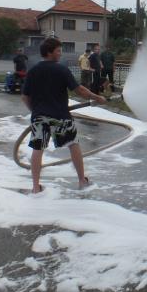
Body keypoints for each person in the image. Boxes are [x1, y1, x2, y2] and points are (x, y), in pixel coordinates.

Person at [22, 38, 106, 193]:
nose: (60, 54)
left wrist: (34, 111)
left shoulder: (33, 71)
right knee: (73, 145)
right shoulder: (61, 69)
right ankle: (82, 181)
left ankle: (35, 187)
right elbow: (79, 90)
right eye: (58, 51)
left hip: (39, 116)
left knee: (38, 149)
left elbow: (25, 97)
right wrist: (97, 97)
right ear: (49, 52)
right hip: (60, 116)